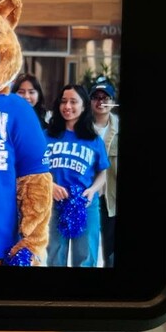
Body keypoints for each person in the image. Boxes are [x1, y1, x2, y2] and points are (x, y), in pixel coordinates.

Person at [44, 84, 109, 267]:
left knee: (86, 258)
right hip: (54, 204)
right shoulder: (46, 136)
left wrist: (92, 190)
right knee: (55, 257)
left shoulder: (94, 139)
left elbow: (102, 172)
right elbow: (35, 169)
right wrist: (50, 185)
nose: (68, 106)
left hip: (85, 203)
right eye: (64, 101)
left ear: (84, 106)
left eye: (74, 102)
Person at [89, 78, 119, 267]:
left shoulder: (119, 129)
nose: (101, 102)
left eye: (105, 97)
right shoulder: (80, 128)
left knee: (110, 248)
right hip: (86, 195)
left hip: (111, 198)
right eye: (96, 97)